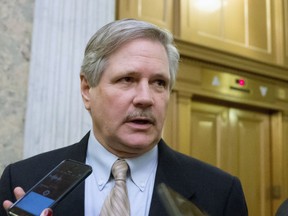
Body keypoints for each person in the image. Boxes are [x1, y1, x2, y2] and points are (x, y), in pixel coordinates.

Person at [0, 18, 248, 216]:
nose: (145, 98)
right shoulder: (24, 180)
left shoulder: (220, 193)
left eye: (159, 82)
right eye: (127, 79)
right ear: (87, 90)